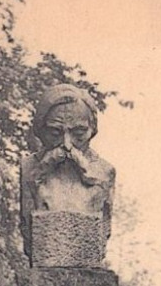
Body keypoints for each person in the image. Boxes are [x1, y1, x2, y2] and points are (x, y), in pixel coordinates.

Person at [20, 84, 115, 252]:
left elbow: (103, 228)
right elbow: (28, 226)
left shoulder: (105, 171)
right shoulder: (29, 168)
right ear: (40, 129)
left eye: (78, 134)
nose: (66, 144)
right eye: (55, 133)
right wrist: (41, 171)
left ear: (92, 129)